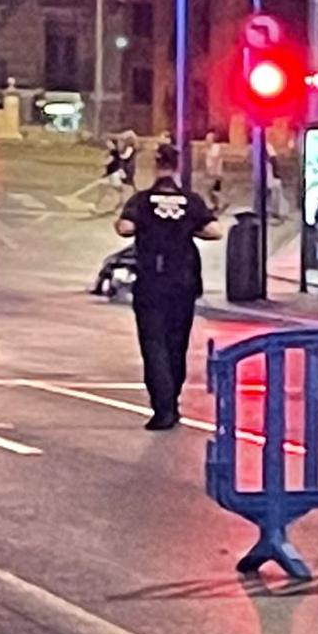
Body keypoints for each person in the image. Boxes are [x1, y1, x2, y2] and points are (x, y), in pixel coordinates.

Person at [117, 142, 221, 430]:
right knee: (177, 344)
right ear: (177, 167)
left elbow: (125, 227)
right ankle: (172, 401)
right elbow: (214, 231)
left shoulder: (142, 200)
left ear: (155, 165)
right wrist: (188, 228)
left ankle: (163, 408)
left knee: (154, 344)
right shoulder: (191, 201)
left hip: (152, 280)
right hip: (184, 281)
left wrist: (148, 227)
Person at [202, 131, 226, 213]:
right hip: (211, 173)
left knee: (211, 190)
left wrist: (214, 172)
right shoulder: (209, 148)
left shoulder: (216, 147)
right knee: (212, 191)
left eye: (209, 138)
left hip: (216, 173)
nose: (207, 140)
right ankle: (217, 204)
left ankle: (219, 204)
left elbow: (215, 159)